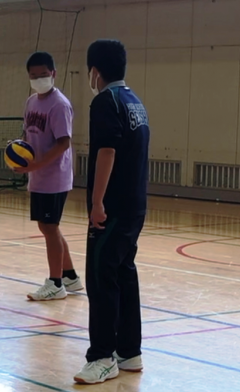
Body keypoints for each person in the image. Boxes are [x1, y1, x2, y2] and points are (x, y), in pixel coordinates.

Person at [74, 40, 149, 384]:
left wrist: (96, 202)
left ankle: (103, 356)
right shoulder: (135, 102)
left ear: (95, 71)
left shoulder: (105, 102)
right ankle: (129, 351)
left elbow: (107, 151)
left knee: (101, 279)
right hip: (134, 206)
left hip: (113, 208)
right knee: (123, 273)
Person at [16, 52, 82, 301]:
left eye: (43, 74)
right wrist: (20, 157)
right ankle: (69, 276)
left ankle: (55, 283)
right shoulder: (31, 102)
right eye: (34, 76)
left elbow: (64, 143)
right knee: (47, 226)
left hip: (54, 177)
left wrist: (37, 165)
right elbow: (27, 135)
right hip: (38, 176)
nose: (39, 79)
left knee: (50, 227)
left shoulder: (59, 105)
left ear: (53, 73)